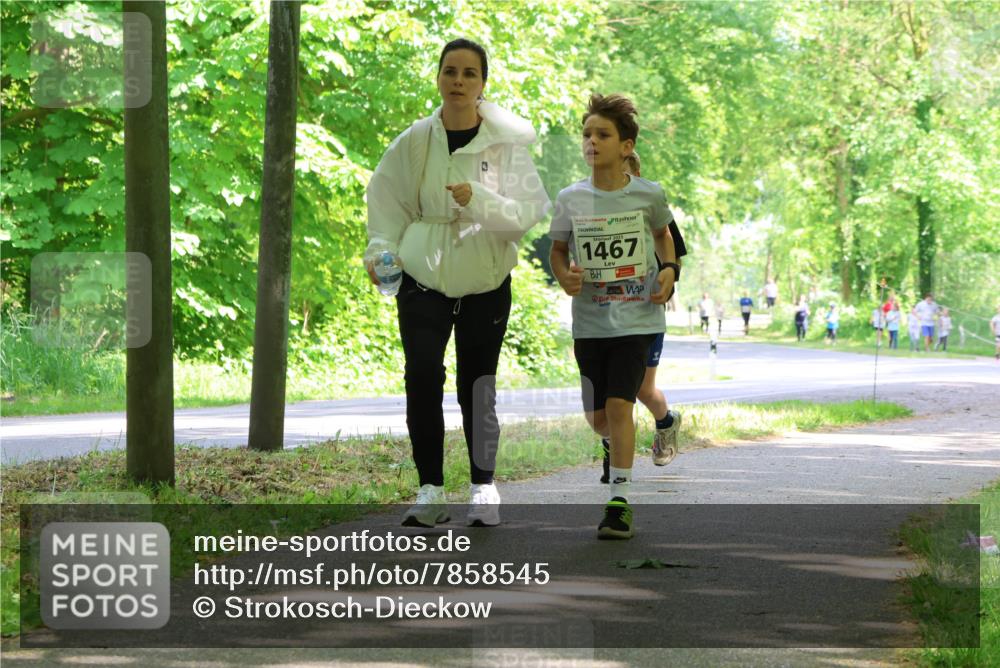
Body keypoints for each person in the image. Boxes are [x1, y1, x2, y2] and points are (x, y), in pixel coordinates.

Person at [366, 39, 549, 528]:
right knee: (422, 377)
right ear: (439, 79)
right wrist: (379, 253)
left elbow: (526, 216)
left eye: (470, 73)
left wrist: (478, 199)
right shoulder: (415, 140)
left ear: (483, 84)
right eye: (451, 71)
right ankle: (429, 491)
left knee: (478, 384)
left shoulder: (506, 147)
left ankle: (483, 487)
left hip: (486, 277)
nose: (459, 81)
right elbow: (386, 203)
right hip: (422, 276)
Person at [549, 93, 678, 540]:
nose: (591, 141)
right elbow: (558, 250)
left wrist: (669, 270)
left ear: (626, 146)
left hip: (638, 319)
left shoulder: (648, 194)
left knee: (623, 405)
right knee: (599, 416)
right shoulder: (570, 198)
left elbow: (664, 237)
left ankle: (619, 501)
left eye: (602, 134)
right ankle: (611, 444)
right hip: (589, 322)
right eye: (586, 134)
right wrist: (564, 276)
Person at [595, 150, 684, 484]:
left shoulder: (652, 205)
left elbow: (673, 259)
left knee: (643, 390)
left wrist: (668, 282)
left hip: (645, 312)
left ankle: (665, 423)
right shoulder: (593, 206)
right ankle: (613, 455)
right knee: (609, 394)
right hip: (603, 315)